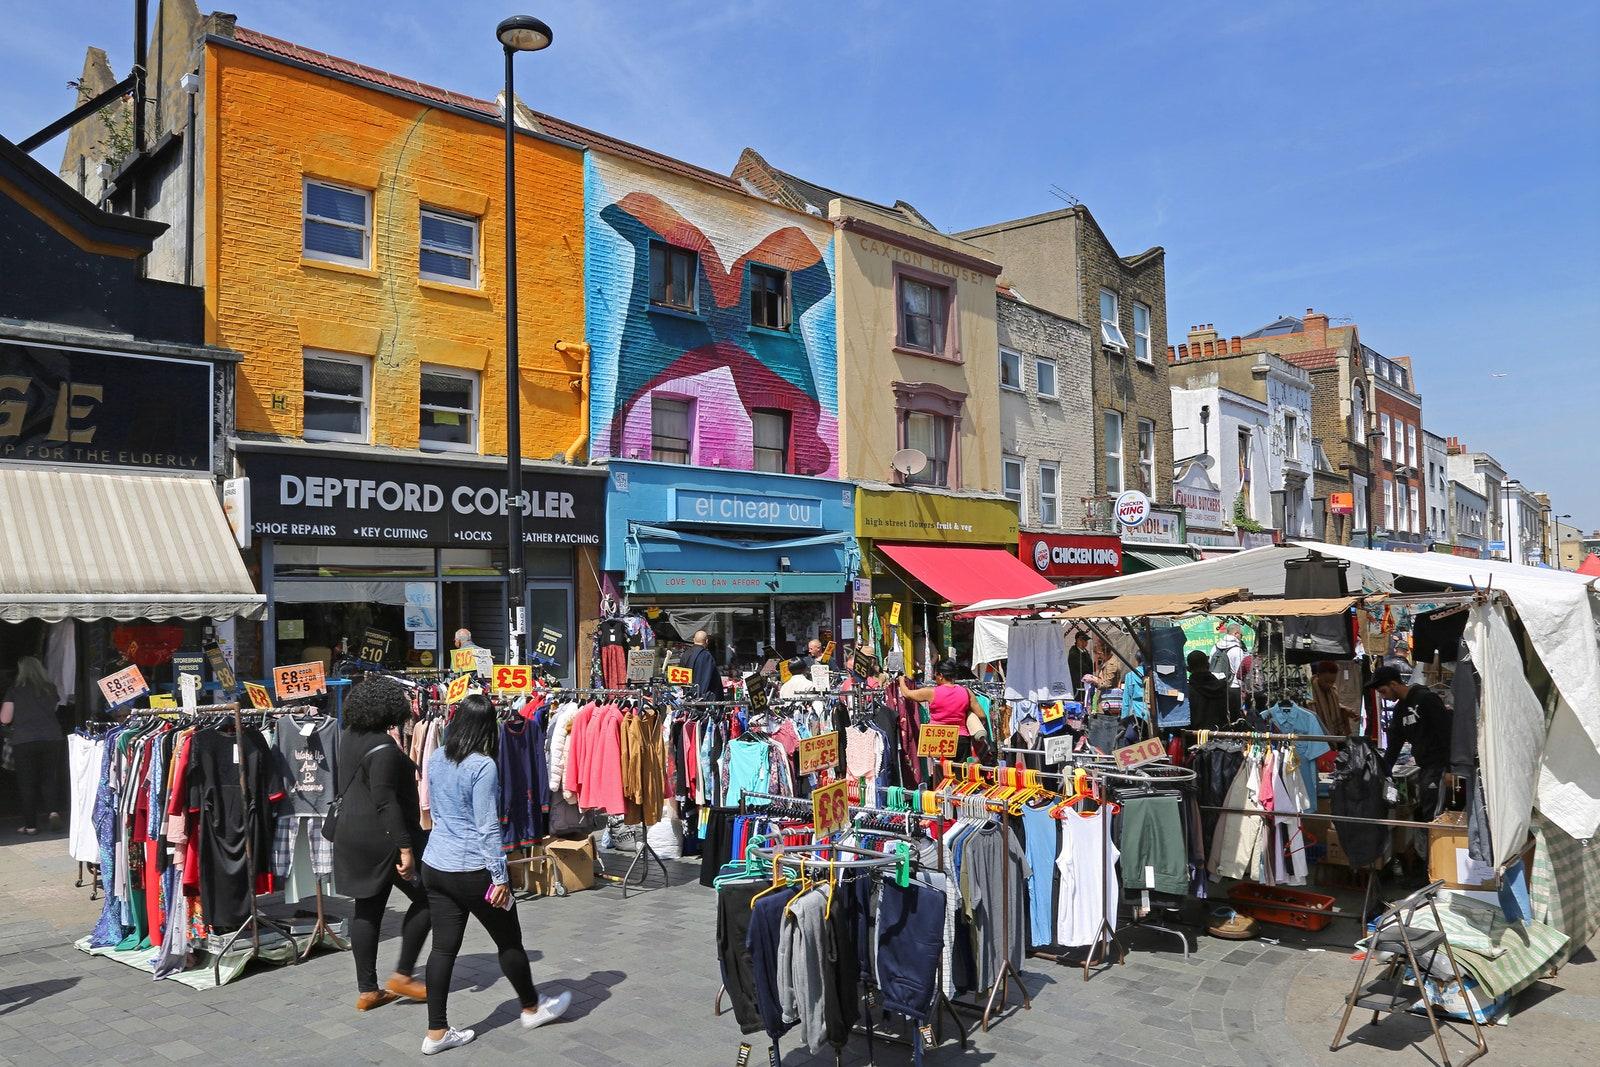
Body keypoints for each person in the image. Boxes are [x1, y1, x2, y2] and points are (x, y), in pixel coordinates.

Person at [419, 693, 569, 1054]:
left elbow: (434, 807)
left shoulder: (438, 756)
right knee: (508, 940)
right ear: (488, 728)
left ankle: (436, 1032)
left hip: (436, 863)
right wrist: (500, 877)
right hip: (473, 869)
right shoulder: (482, 765)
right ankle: (531, 1007)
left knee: (442, 950)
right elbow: (487, 826)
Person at [333, 678, 431, 1011]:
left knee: (368, 908)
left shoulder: (349, 738)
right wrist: (405, 849)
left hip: (351, 834)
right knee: (429, 898)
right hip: (382, 839)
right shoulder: (384, 749)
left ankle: (368, 990)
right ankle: (403, 974)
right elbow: (386, 803)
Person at [1369, 664, 1453, 819]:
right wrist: (1383, 773)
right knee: (1425, 812)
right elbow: (1394, 745)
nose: (1383, 696)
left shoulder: (1427, 699)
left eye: (1383, 691)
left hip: (1438, 767)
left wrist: (1449, 769)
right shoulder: (1399, 710)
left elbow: (1447, 733)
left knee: (1434, 815)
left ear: (1393, 684)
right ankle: (1425, 842)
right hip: (1424, 767)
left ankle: (1433, 843)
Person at [1, 656, 63, 834]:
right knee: (49, 778)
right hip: (52, 738)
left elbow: (5, 719)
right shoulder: (50, 688)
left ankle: (30, 826)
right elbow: (53, 710)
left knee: (27, 783)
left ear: (21, 671)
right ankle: (52, 811)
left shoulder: (15, 690)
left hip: (24, 740)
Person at [898, 660, 987, 763]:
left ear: (940, 675)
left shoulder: (931, 692)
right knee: (960, 775)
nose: (935, 678)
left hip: (938, 738)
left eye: (935, 675)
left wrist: (901, 680)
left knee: (942, 775)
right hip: (961, 739)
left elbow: (907, 694)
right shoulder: (967, 692)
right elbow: (981, 715)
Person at [1121, 650, 1183, 724]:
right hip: (1154, 711)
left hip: (1137, 714)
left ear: (1137, 660)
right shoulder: (1154, 674)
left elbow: (1126, 701)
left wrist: (1124, 719)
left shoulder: (1130, 675)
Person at [1312, 660, 1360, 737]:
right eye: (1326, 681)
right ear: (1318, 675)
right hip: (1317, 736)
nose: (1330, 685)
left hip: (1334, 736)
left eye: (1332, 681)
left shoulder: (1333, 691)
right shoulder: (1310, 693)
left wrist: (1346, 710)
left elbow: (1336, 705)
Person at [1185, 650, 1229, 731]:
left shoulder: (1187, 692)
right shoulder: (1222, 687)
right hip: (1221, 736)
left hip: (1195, 738)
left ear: (1188, 669)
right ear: (1208, 665)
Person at [682, 630, 725, 700]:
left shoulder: (685, 654)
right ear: (707, 641)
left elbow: (680, 679)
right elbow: (713, 678)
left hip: (687, 697)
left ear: (693, 640)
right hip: (702, 700)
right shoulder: (706, 656)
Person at [1067, 630, 1093, 698]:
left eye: (1086, 641)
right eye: (1083, 640)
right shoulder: (1074, 653)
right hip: (1078, 685)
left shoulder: (1085, 652)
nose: (1086, 643)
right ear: (1078, 640)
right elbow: (1084, 668)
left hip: (1086, 683)